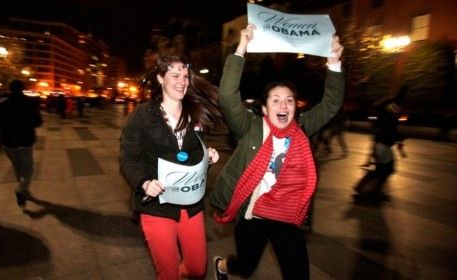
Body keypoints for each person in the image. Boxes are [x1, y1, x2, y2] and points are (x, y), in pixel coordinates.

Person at [209, 24, 345, 280]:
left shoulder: (302, 129)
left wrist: (334, 64)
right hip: (253, 214)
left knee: (298, 274)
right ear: (264, 109)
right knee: (246, 267)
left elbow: (330, 105)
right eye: (276, 100)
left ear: (295, 107)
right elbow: (227, 96)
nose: (283, 104)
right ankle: (224, 265)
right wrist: (241, 49)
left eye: (289, 100)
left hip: (288, 216)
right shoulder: (250, 128)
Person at [119, 54, 222, 280]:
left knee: (198, 269)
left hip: (190, 205)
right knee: (168, 273)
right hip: (156, 206)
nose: (182, 81)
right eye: (175, 75)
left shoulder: (195, 113)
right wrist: (144, 183)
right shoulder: (142, 116)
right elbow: (129, 160)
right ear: (160, 78)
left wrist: (208, 156)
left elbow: (195, 152)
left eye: (185, 76)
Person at [0, 79, 43, 206]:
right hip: (25, 141)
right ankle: (21, 189)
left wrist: (4, 129)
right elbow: (38, 121)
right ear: (22, 88)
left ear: (10, 88)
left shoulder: (1, 102)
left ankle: (24, 191)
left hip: (8, 141)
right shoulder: (28, 101)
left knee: (18, 167)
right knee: (29, 168)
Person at [354, 95, 406, 201]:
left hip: (382, 147)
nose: (397, 108)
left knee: (382, 170)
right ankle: (368, 189)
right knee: (386, 170)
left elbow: (392, 133)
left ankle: (366, 188)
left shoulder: (386, 117)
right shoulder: (389, 118)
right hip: (383, 148)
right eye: (395, 107)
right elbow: (392, 133)